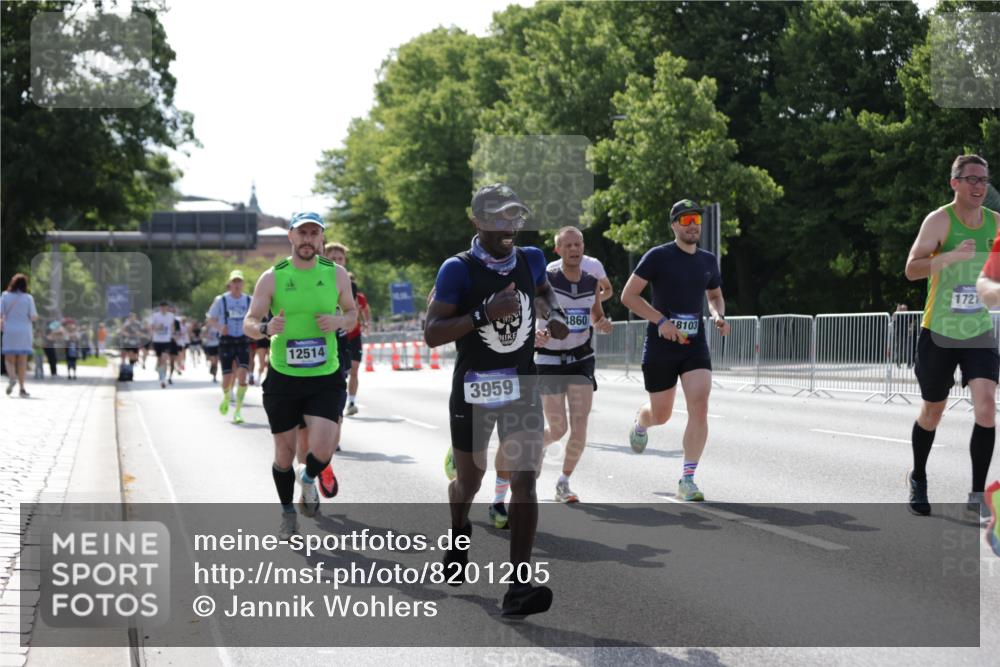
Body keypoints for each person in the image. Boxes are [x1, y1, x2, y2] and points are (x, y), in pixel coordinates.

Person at [425, 183, 568, 617]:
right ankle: (459, 531)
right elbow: (432, 333)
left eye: (516, 217)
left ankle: (519, 586)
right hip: (472, 388)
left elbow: (542, 291)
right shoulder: (458, 269)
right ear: (478, 220)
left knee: (524, 480)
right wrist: (485, 313)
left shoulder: (531, 258)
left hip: (522, 383)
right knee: (469, 481)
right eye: (501, 217)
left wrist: (555, 315)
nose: (510, 226)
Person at [244, 211, 356, 539]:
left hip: (325, 373)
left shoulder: (336, 274)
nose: (308, 239)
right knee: (283, 453)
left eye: (314, 233)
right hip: (283, 376)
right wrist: (265, 327)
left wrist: (339, 322)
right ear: (291, 237)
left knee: (323, 448)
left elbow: (351, 313)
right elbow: (248, 323)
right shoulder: (272, 277)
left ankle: (307, 481)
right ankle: (287, 513)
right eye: (302, 232)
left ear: (321, 238)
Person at [622, 199, 730, 502]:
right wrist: (660, 321)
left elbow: (715, 294)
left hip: (694, 346)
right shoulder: (658, 257)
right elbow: (628, 296)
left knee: (700, 403)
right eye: (685, 220)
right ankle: (642, 422)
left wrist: (718, 315)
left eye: (695, 218)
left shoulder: (707, 260)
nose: (693, 224)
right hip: (661, 346)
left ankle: (688, 478)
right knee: (661, 414)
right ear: (674, 225)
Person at [907, 154, 997, 520]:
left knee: (987, 406)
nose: (979, 186)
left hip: (977, 330)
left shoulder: (996, 225)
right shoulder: (939, 221)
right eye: (971, 179)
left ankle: (977, 494)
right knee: (932, 412)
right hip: (939, 332)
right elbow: (912, 269)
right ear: (954, 183)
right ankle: (918, 476)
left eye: (984, 179)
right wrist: (949, 257)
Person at [532, 226, 612, 505]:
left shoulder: (592, 281)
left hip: (581, 360)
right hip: (550, 361)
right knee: (558, 429)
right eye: (567, 246)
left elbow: (597, 315)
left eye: (577, 245)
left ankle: (563, 483)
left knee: (580, 424)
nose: (574, 250)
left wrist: (602, 324)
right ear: (558, 251)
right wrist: (536, 335)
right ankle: (540, 445)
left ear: (583, 247)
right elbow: (529, 315)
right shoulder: (546, 280)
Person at [324, 243, 371, 416]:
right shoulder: (315, 281)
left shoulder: (351, 286)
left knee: (353, 369)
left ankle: (350, 402)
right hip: (327, 337)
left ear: (345, 261)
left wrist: (365, 323)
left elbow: (360, 309)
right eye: (332, 258)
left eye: (340, 259)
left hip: (351, 334)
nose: (337, 262)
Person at [208, 270, 253, 424]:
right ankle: (226, 396)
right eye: (234, 281)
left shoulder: (249, 300)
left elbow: (256, 317)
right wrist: (220, 328)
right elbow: (211, 318)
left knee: (242, 375)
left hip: (242, 340)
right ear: (230, 283)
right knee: (227, 377)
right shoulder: (221, 300)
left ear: (243, 284)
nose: (237, 284)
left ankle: (238, 411)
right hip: (226, 341)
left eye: (239, 281)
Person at [2, 273, 39, 397]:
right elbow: (33, 317)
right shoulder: (28, 298)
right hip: (24, 331)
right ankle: (22, 388)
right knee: (22, 361)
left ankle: (12, 377)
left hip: (9, 330)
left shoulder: (5, 296)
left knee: (9, 359)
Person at [149, 302, 176, 388]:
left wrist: (173, 334)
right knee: (160, 359)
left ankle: (163, 378)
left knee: (165, 358)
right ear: (160, 308)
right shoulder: (155, 316)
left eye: (165, 307)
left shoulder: (171, 316)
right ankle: (160, 372)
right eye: (162, 307)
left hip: (166, 340)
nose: (164, 309)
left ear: (167, 308)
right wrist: (158, 327)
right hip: (157, 340)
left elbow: (172, 326)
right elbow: (151, 327)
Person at [202, 317, 221, 382]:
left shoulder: (220, 324)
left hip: (218, 345)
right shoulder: (209, 326)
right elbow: (204, 334)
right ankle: (212, 370)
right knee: (213, 361)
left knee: (216, 362)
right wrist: (208, 336)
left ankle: (214, 376)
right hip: (211, 345)